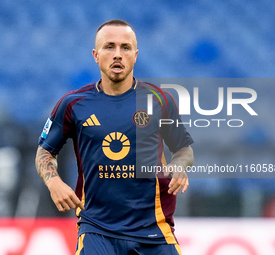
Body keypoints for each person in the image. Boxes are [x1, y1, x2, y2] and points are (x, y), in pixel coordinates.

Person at [35, 19, 194, 255]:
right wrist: (53, 182)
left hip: (155, 230)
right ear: (96, 54)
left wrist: (179, 166)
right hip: (98, 230)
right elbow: (45, 150)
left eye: (125, 47)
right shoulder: (73, 104)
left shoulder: (159, 100)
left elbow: (183, 149)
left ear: (136, 55)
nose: (117, 54)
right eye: (109, 46)